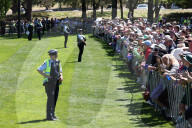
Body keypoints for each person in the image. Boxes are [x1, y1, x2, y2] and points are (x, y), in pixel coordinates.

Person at [37, 49, 63, 121]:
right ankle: (49, 116)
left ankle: (53, 114)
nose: (50, 56)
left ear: (56, 55)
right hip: (49, 83)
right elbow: (39, 70)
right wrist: (46, 76)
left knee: (54, 99)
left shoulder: (58, 62)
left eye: (52, 54)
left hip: (56, 83)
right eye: (50, 55)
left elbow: (60, 71)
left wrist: (61, 76)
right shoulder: (47, 62)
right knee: (50, 99)